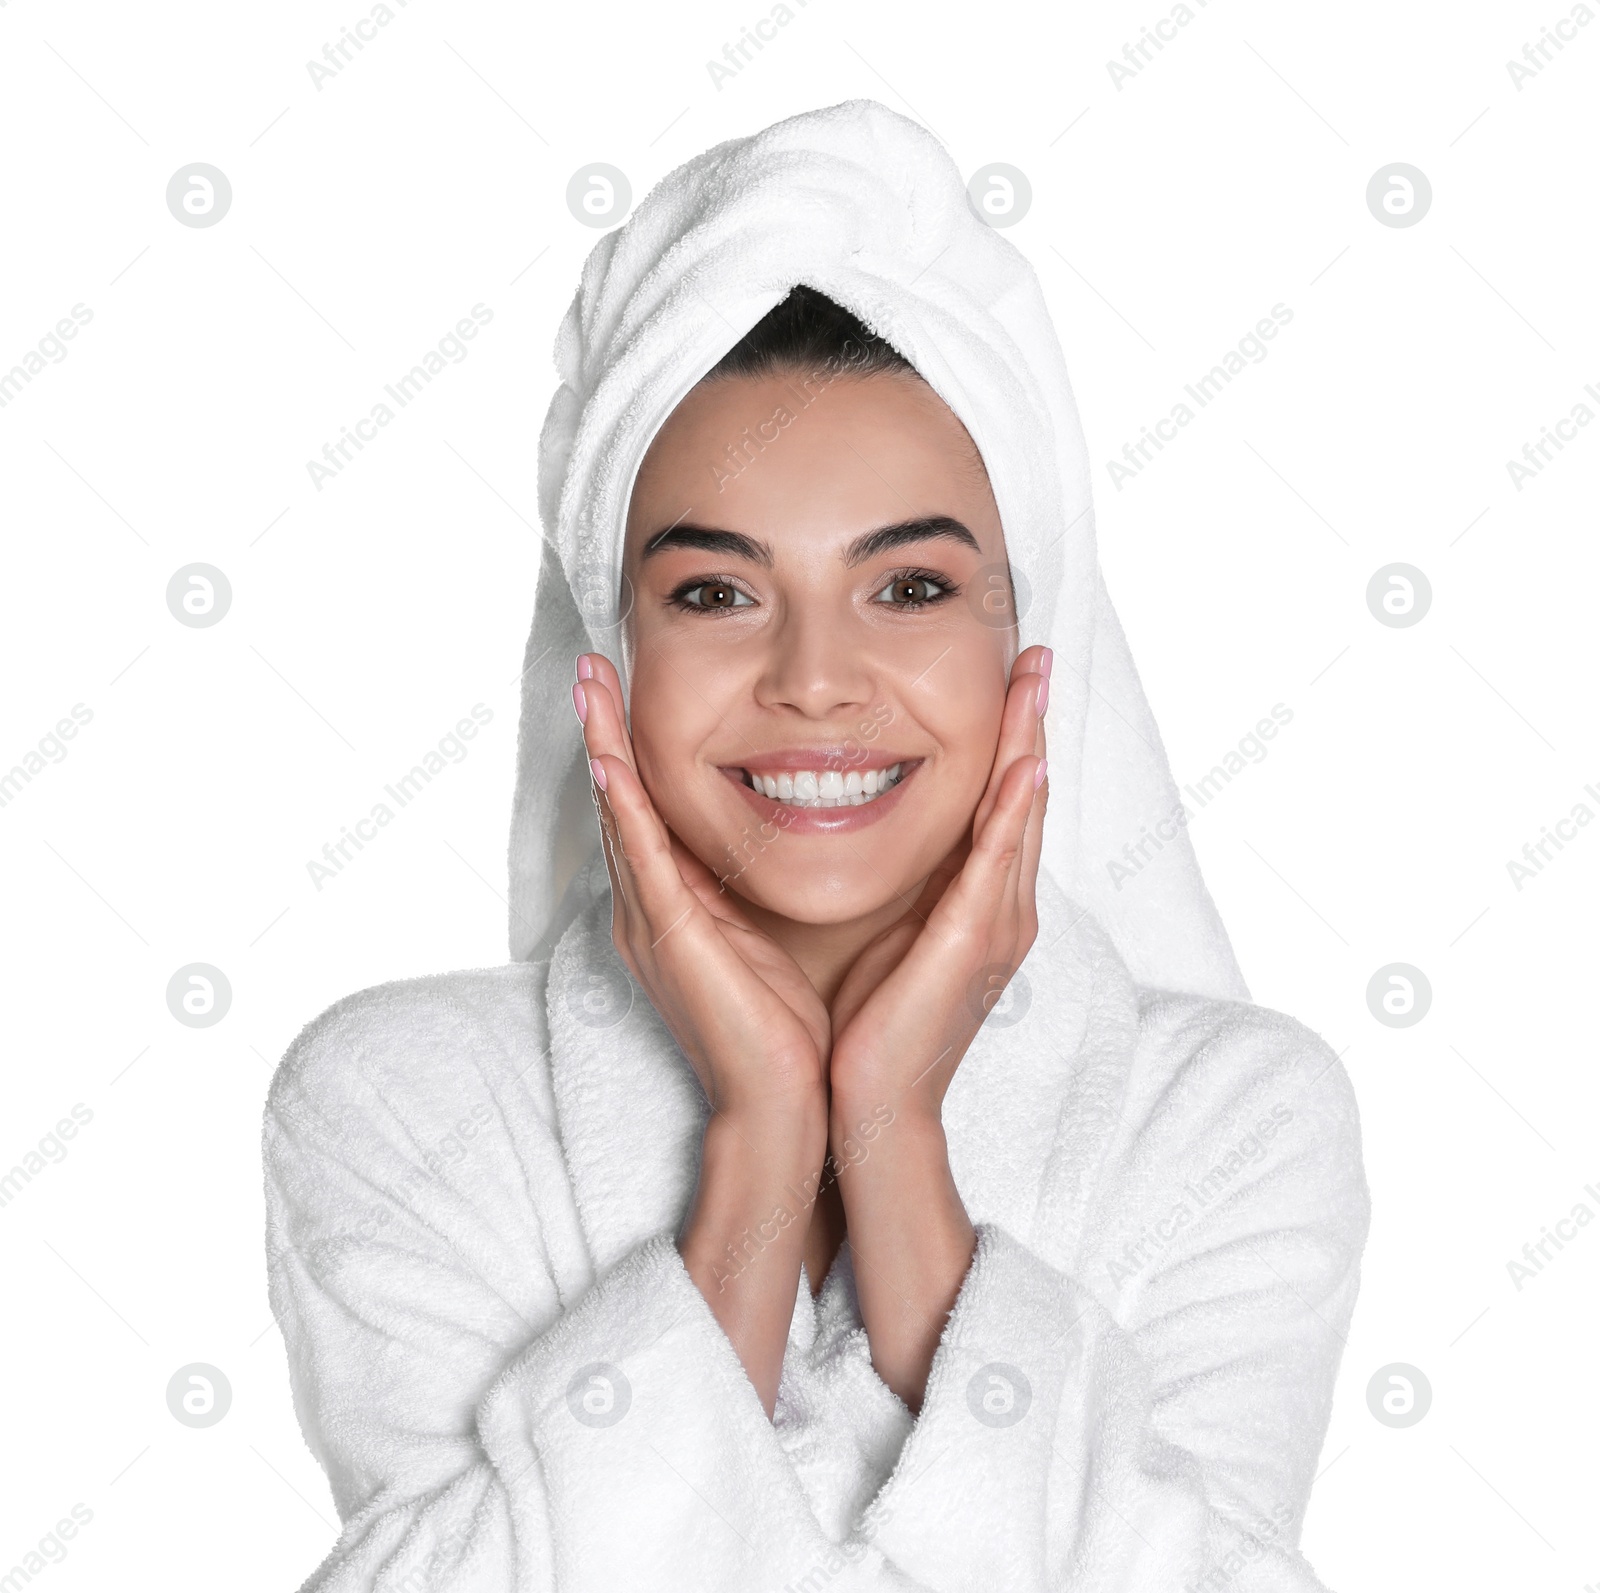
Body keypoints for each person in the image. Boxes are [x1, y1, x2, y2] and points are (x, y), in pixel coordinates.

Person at [263, 101, 1369, 1592]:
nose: (816, 678)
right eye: (716, 595)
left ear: (1025, 643)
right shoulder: (403, 1102)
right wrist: (759, 1145)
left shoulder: (1229, 1118)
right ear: (611, 655)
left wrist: (892, 1138)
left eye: (908, 587)